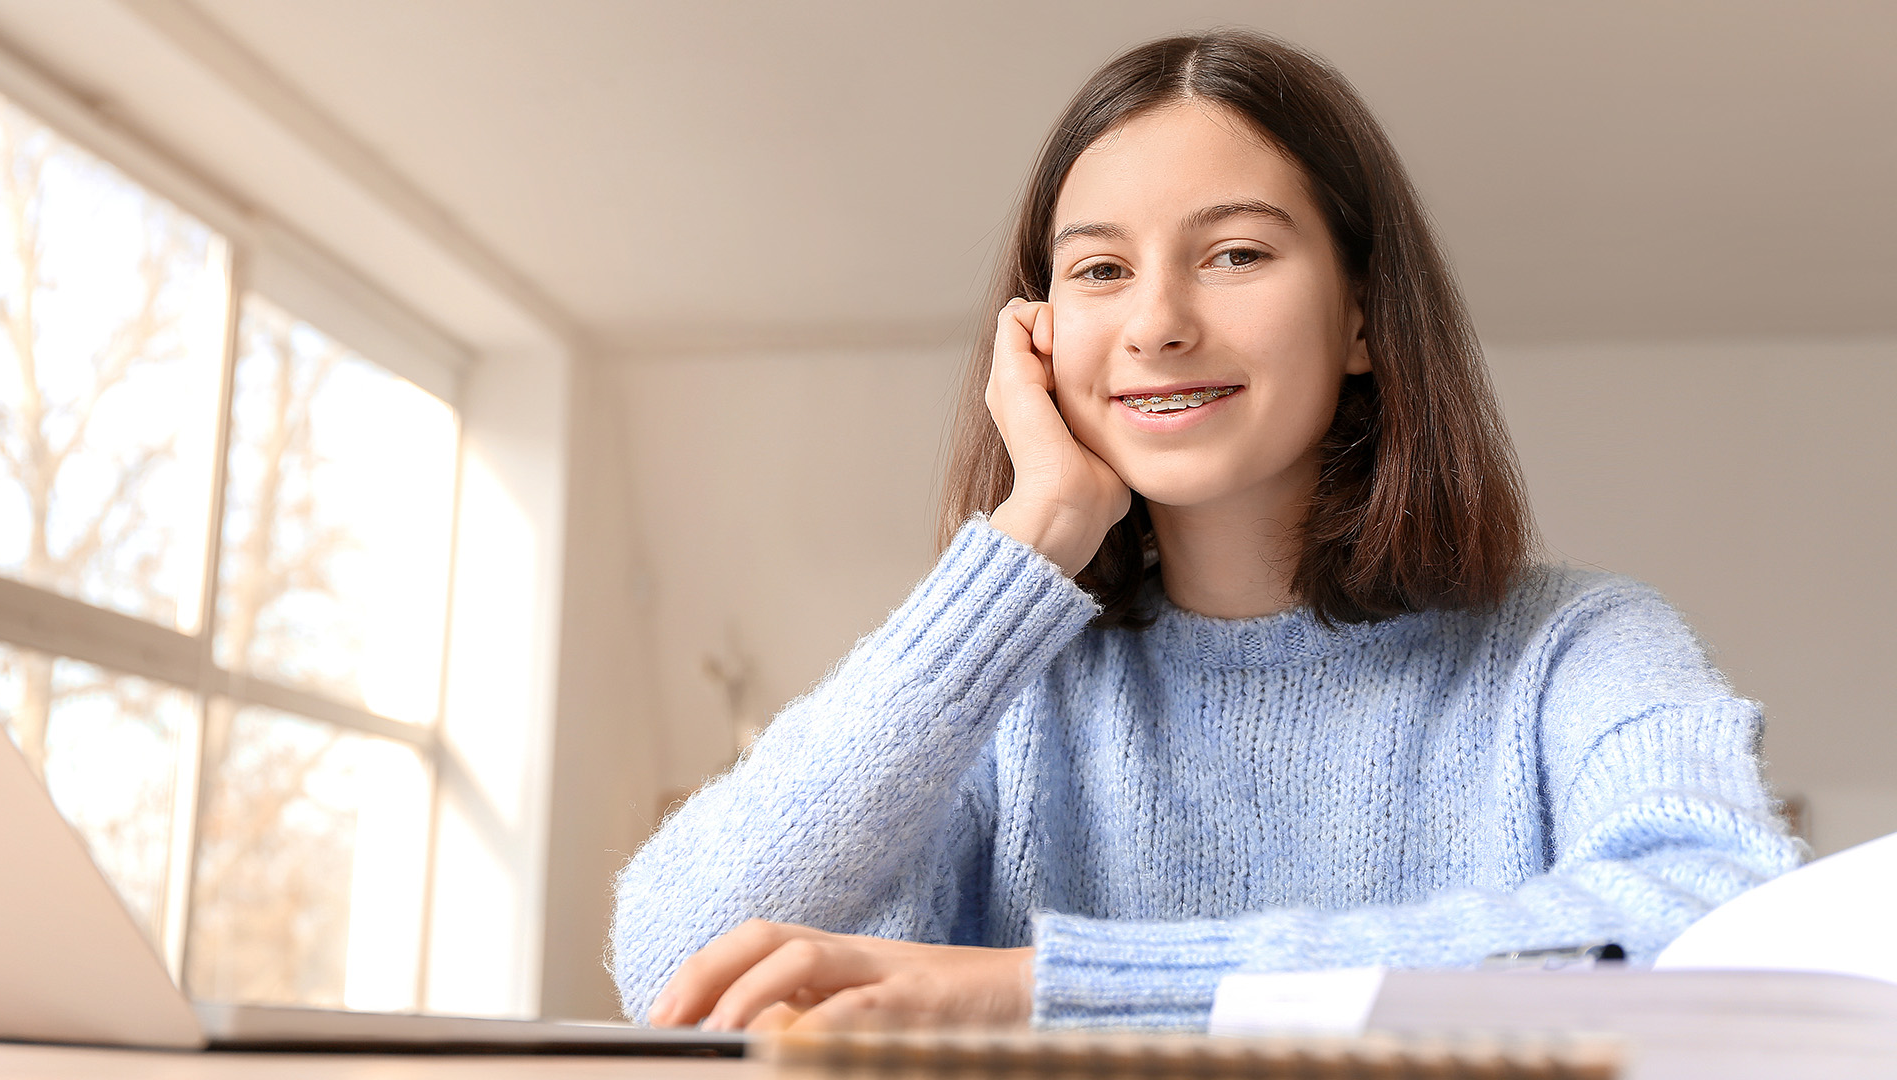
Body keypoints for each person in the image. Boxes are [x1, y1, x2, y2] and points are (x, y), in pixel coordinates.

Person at [609, 29, 1799, 1033]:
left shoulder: (1577, 649)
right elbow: (677, 962)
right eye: (1099, 270)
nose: (1157, 324)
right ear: (1039, 335)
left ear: (1362, 319)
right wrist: (1036, 530)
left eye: (1235, 254)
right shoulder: (1005, 701)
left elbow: (1720, 924)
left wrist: (1049, 988)